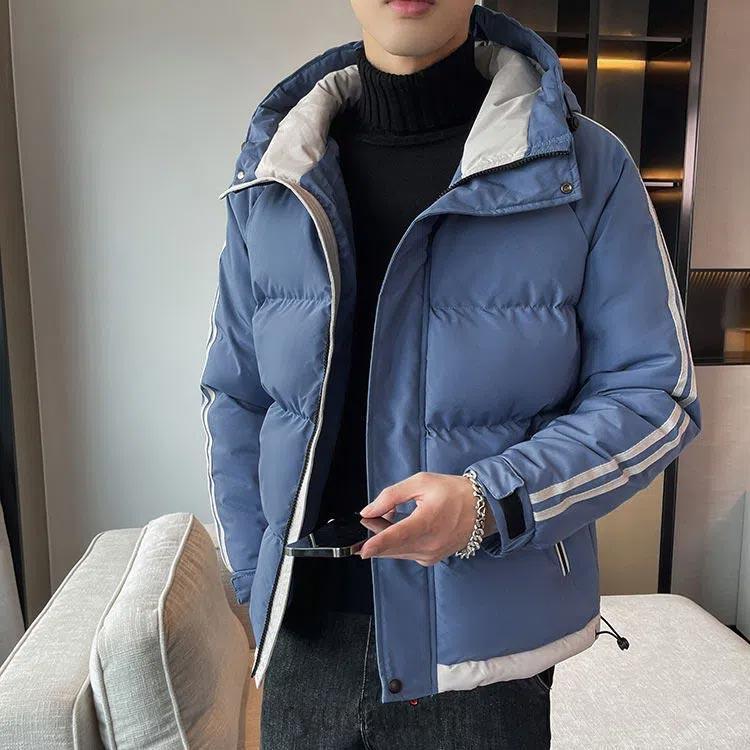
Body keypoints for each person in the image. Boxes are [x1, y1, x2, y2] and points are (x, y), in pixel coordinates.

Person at [200, 1, 701, 747]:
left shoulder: (586, 166)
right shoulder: (277, 173)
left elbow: (655, 395)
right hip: (302, 644)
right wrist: (253, 578)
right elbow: (236, 395)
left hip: (482, 660)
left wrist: (489, 503)